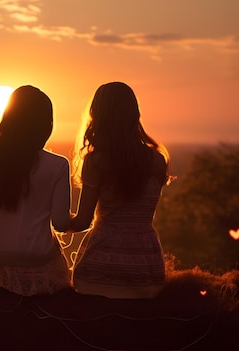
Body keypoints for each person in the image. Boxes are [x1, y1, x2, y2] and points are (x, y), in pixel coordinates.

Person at [67, 82, 173, 299]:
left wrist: (54, 218)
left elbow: (83, 222)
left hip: (102, 263)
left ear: (98, 115)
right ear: (134, 114)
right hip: (146, 265)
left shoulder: (96, 160)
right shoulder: (157, 160)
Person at [0, 85, 72, 296]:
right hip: (39, 268)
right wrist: (85, 221)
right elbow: (61, 223)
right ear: (46, 123)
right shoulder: (58, 165)